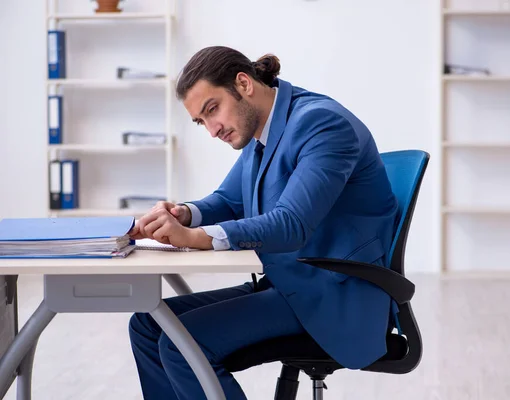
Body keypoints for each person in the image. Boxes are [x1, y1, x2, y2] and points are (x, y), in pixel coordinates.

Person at [127, 46, 400, 400]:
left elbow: (291, 224)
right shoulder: (263, 132)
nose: (212, 130)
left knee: (182, 344)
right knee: (148, 324)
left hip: (333, 297)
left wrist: (196, 237)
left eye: (213, 110)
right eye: (201, 121)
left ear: (243, 84)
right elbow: (228, 200)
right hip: (290, 284)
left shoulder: (321, 124)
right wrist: (184, 214)